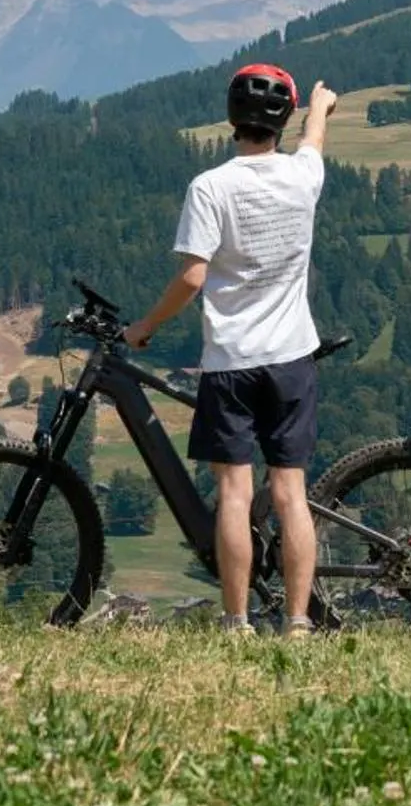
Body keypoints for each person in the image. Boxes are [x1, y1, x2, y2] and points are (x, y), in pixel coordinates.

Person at [126, 63, 338, 636]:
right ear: (282, 120)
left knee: (234, 493)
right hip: (292, 357)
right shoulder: (302, 177)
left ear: (231, 117)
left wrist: (146, 325)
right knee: (291, 493)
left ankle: (236, 621)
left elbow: (193, 279)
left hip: (231, 363)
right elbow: (313, 141)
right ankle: (298, 622)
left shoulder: (210, 187)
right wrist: (319, 106)